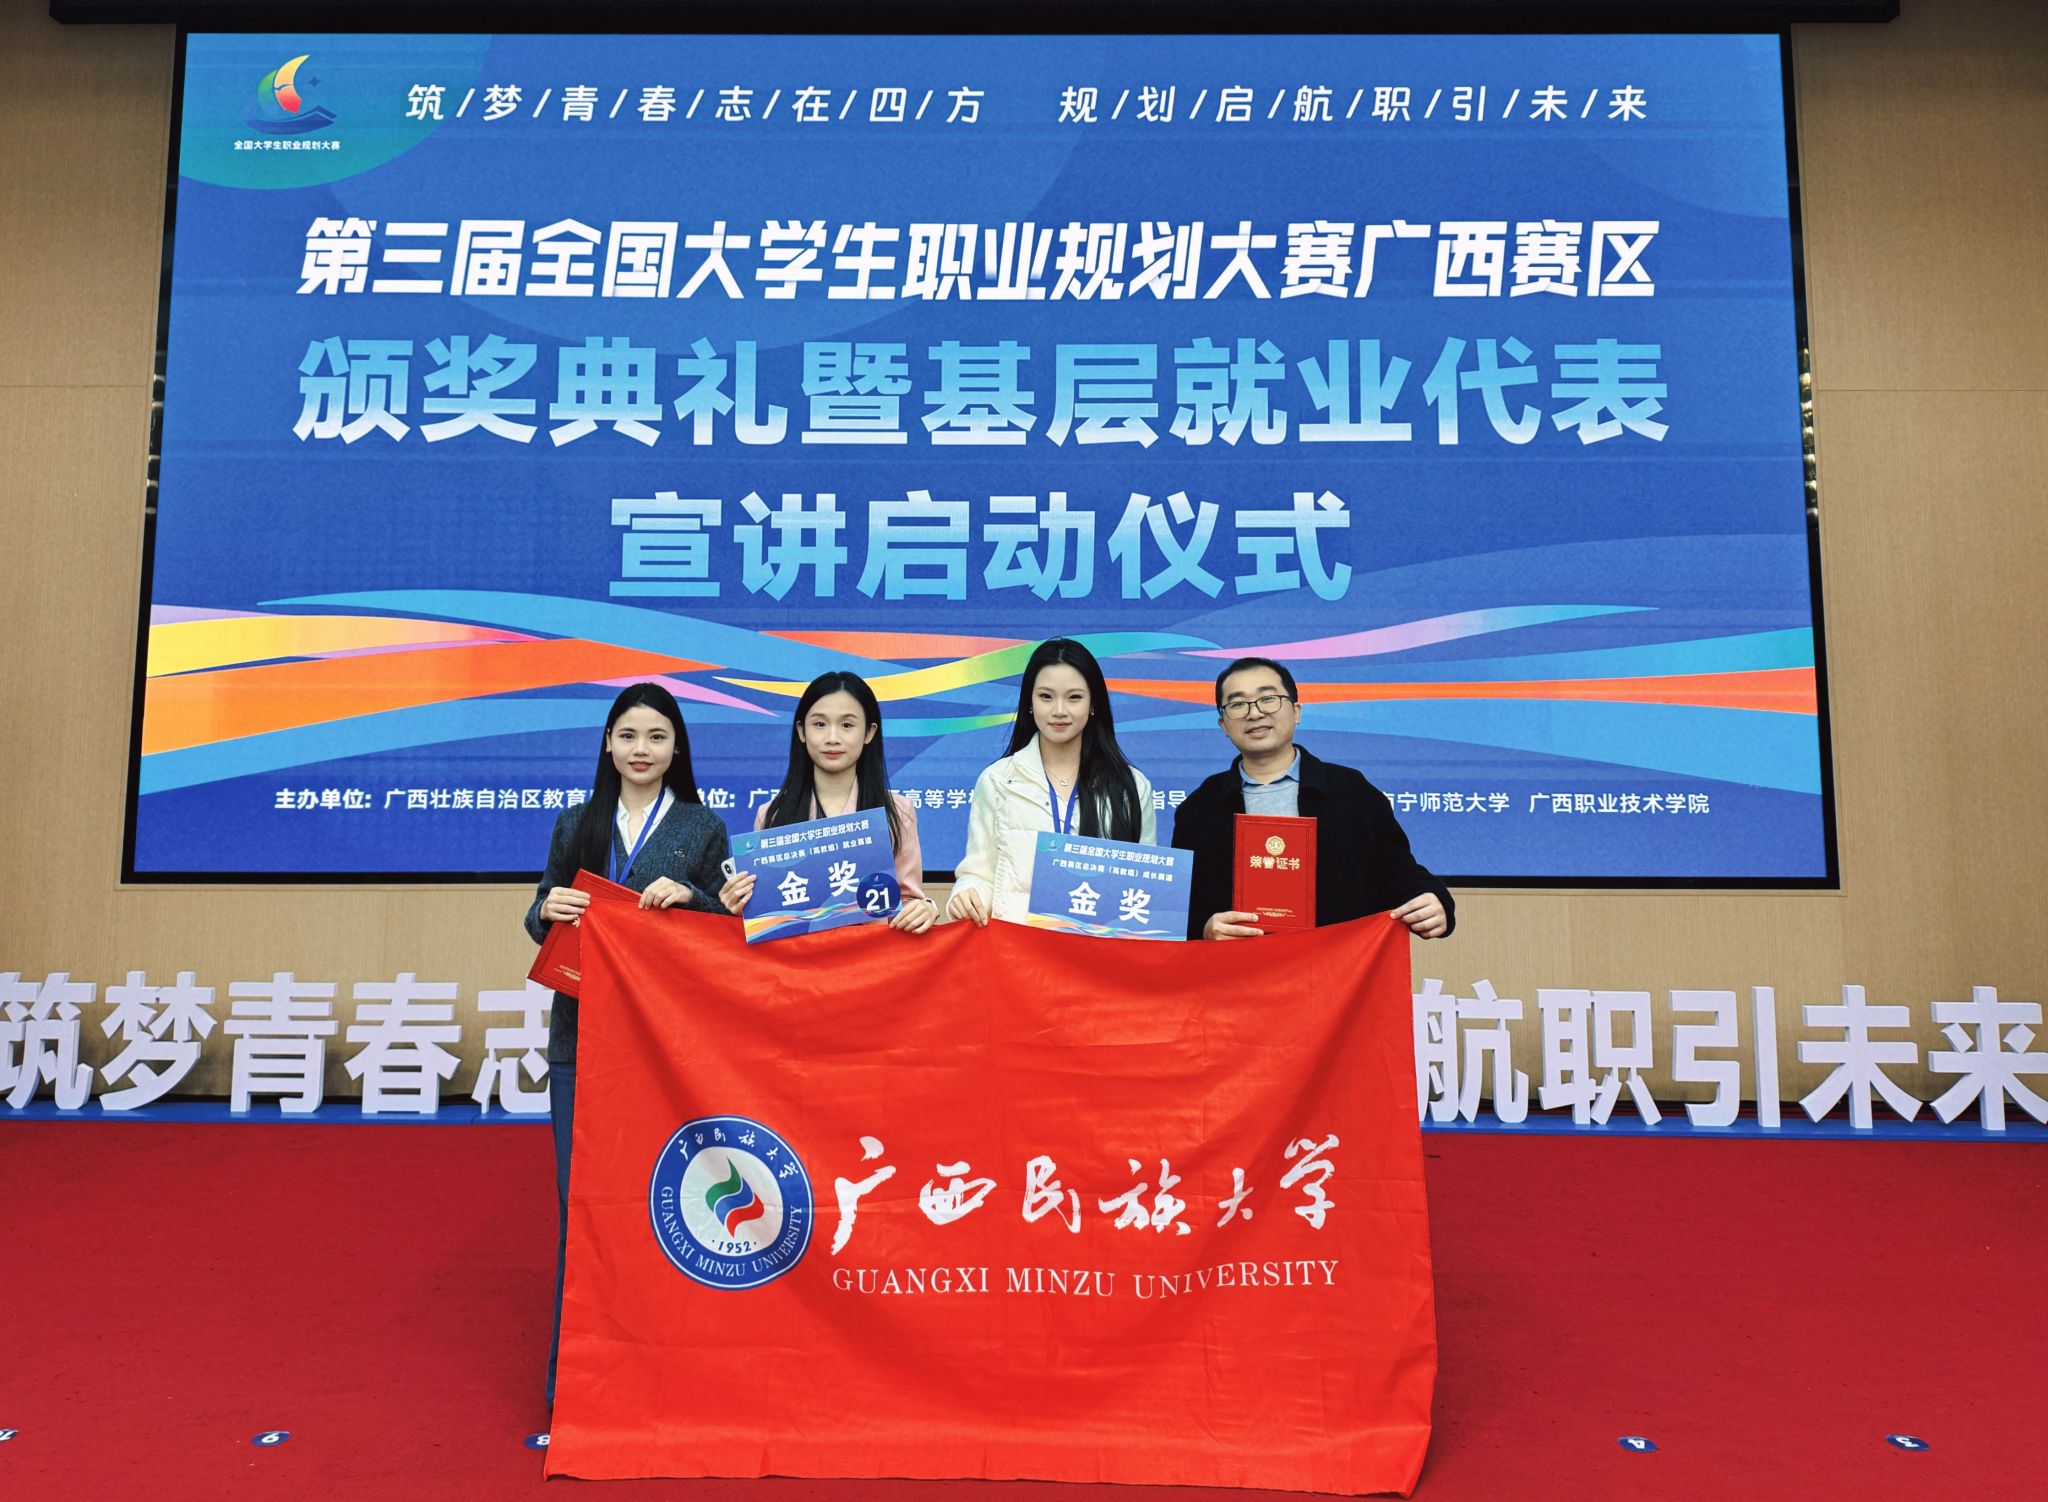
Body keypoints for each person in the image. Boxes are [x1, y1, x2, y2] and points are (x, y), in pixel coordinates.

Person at [522, 682, 732, 1404]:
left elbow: (728, 931)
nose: (641, 750)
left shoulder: (702, 827)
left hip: (664, 1047)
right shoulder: (575, 822)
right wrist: (544, 908)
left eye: (656, 737)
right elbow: (542, 909)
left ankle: (661, 1368)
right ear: (608, 745)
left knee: (662, 1206)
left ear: (677, 749)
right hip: (581, 1037)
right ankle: (575, 1380)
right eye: (629, 736)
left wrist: (695, 901)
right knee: (582, 1206)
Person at [1172, 656, 1455, 942]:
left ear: (1296, 711)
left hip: (1336, 963)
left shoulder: (1350, 791)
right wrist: (1204, 930)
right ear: (1223, 724)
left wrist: (1435, 899)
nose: (1254, 713)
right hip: (1244, 967)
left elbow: (1398, 871)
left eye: (1268, 699)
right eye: (1237, 704)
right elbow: (1180, 911)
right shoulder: (1199, 809)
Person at [948, 638, 1155, 927]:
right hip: (1018, 948)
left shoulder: (1131, 786)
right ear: (1029, 702)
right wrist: (967, 894)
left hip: (1097, 950)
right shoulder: (998, 781)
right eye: (1046, 696)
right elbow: (979, 875)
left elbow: (1146, 885)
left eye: (1074, 697)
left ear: (1093, 703)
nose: (1059, 710)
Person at [716, 671, 937, 933]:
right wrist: (742, 905)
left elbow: (906, 901)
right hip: (802, 957)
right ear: (801, 731)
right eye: (819, 724)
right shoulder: (773, 814)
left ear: (869, 732)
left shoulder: (897, 812)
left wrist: (925, 908)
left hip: (872, 955)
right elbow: (770, 916)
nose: (832, 737)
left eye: (847, 725)